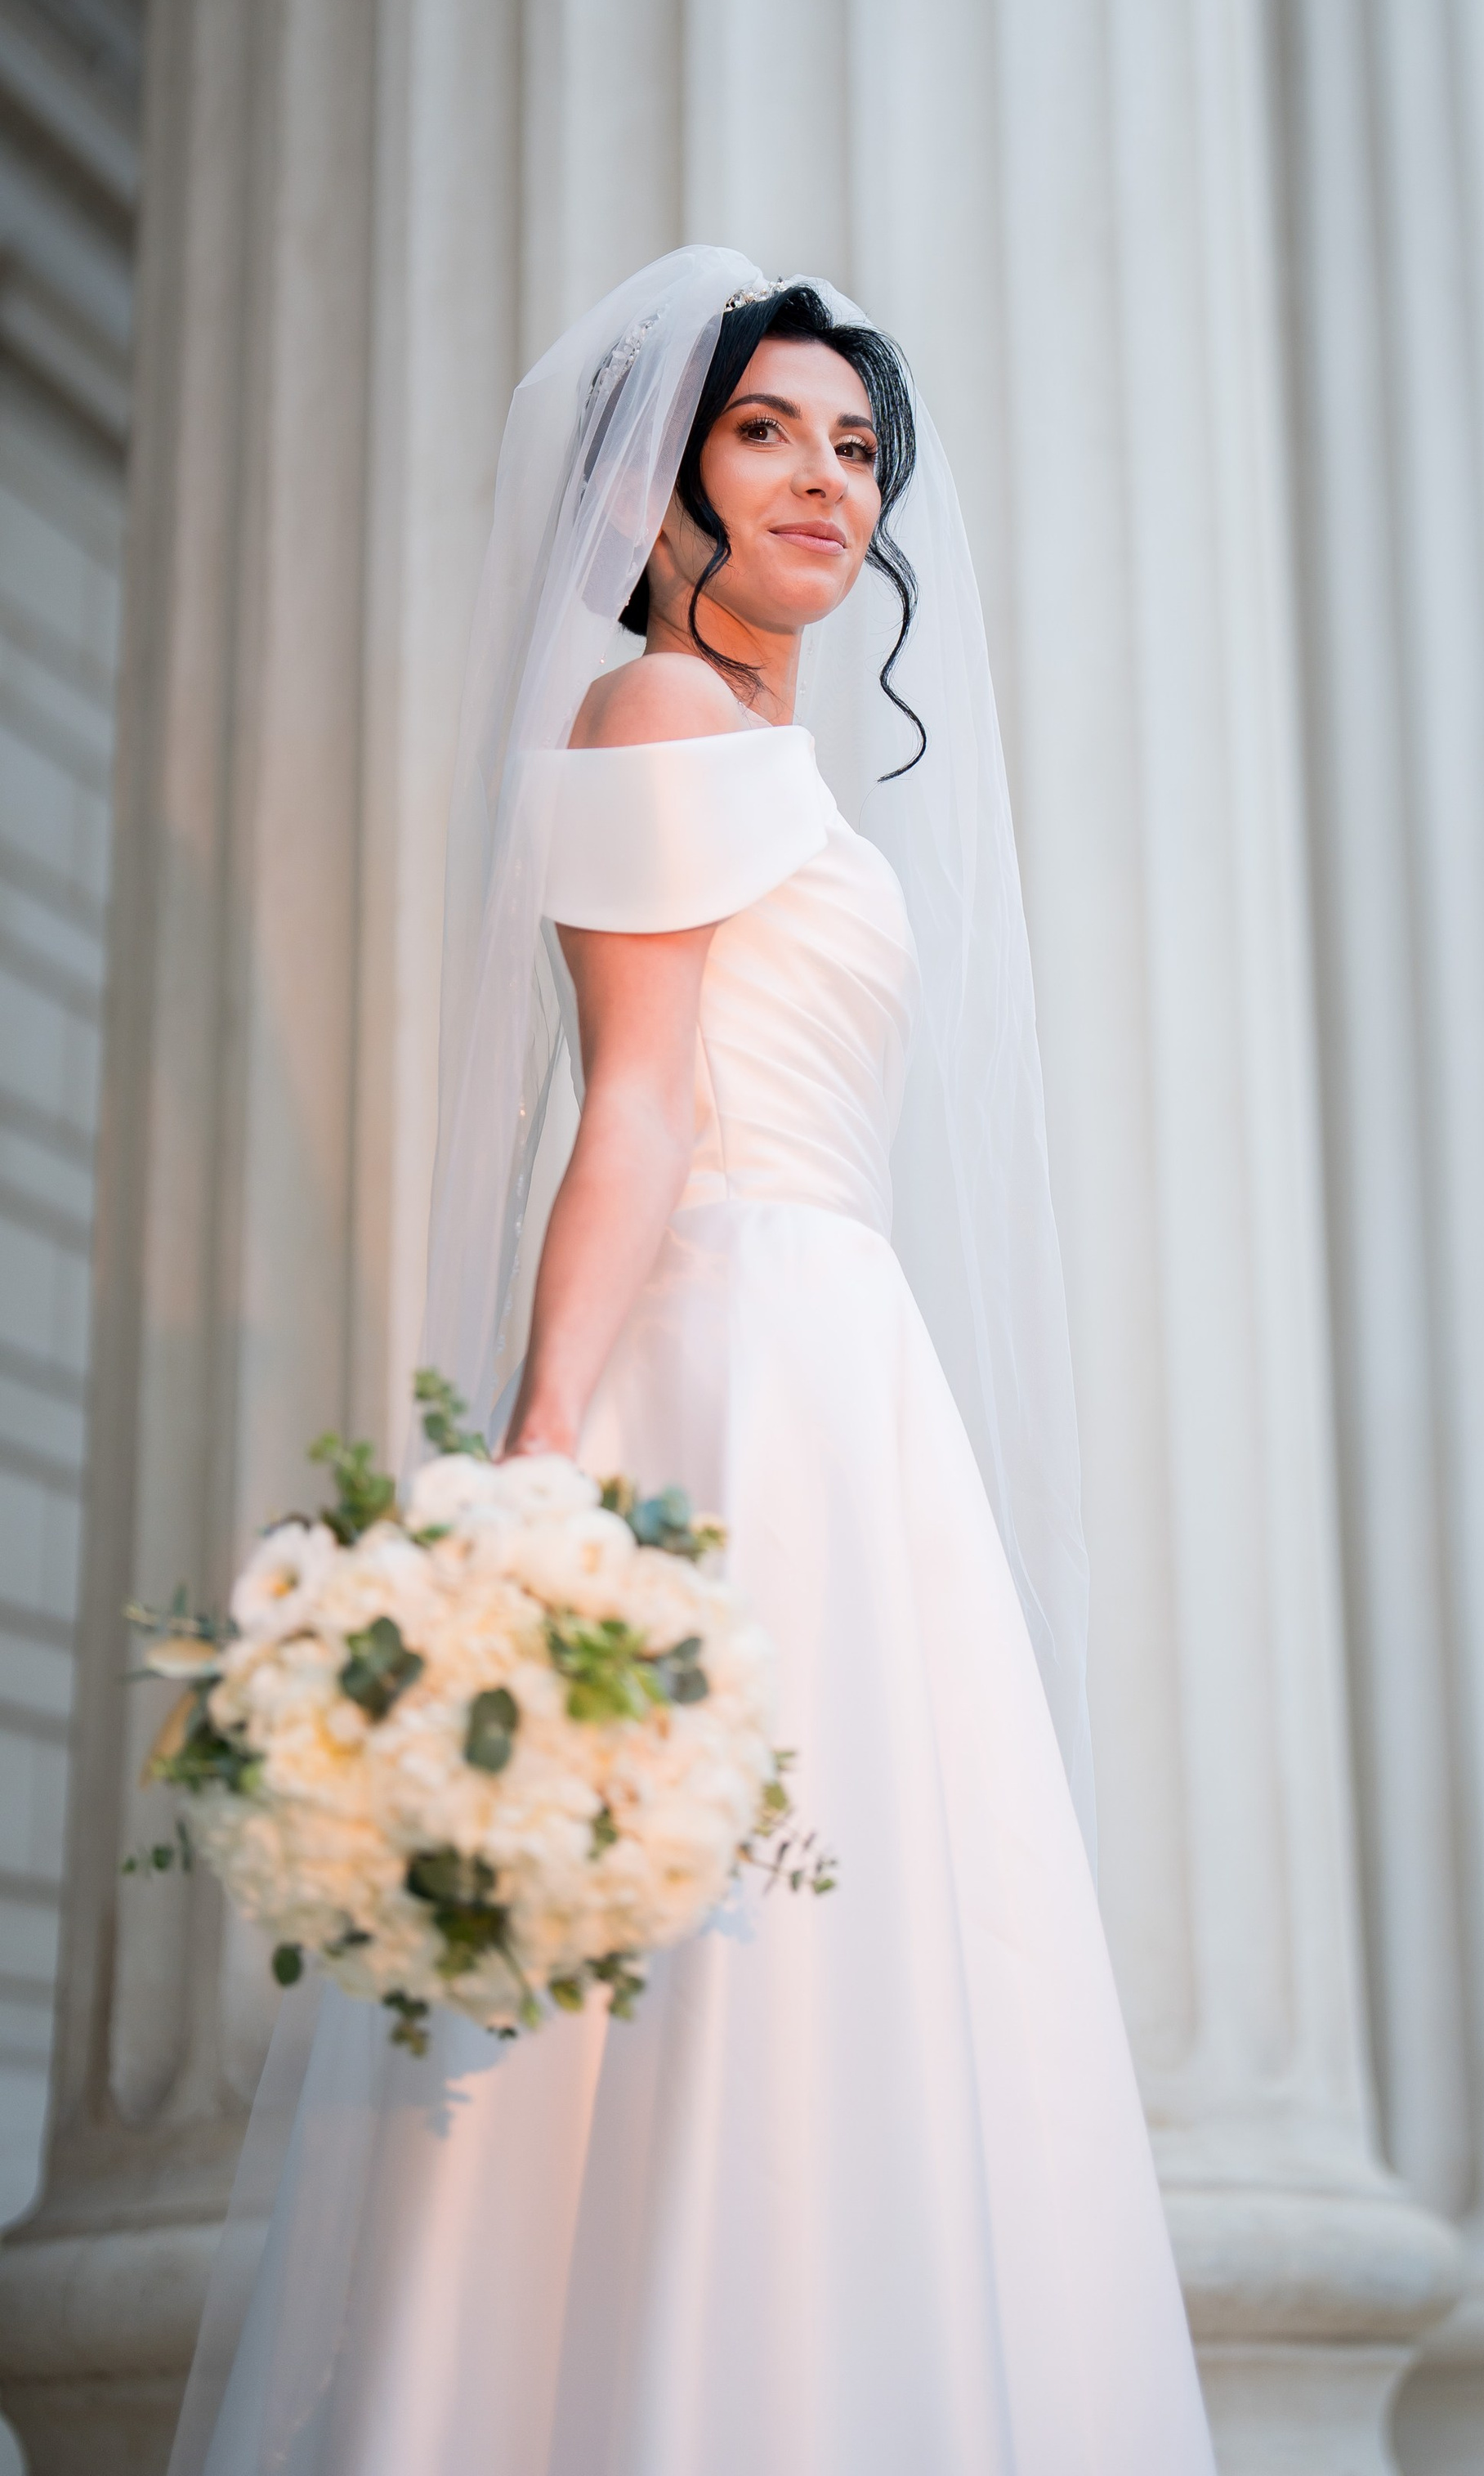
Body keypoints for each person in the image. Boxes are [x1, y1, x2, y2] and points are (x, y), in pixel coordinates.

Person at [170, 248, 1216, 2474]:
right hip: (738, 1358)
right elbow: (635, 1104)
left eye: (858, 447)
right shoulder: (655, 715)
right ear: (665, 496)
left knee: (848, 1934)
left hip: (846, 1362)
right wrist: (543, 1462)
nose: (828, 481)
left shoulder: (768, 754)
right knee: (730, 1940)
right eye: (770, 435)